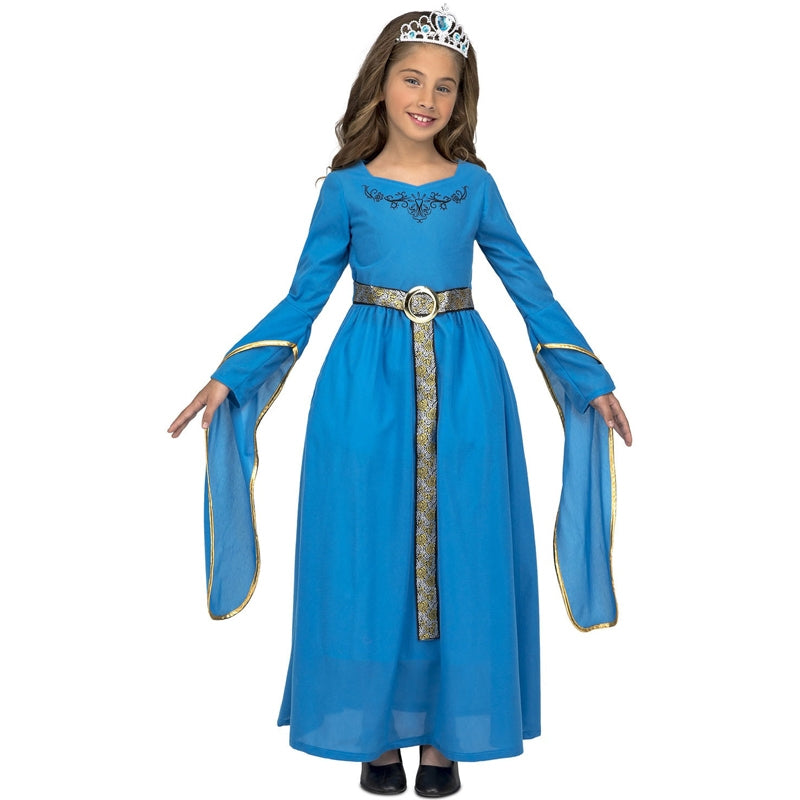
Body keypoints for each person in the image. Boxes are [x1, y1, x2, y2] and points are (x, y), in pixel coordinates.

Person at [169, 6, 632, 797]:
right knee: (364, 551)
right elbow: (304, 296)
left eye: (445, 87)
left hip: (467, 387)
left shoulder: (475, 187)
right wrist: (233, 373)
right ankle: (374, 732)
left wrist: (589, 378)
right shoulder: (346, 190)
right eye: (412, 80)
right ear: (380, 85)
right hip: (363, 389)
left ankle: (448, 738)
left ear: (462, 99)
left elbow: (529, 285)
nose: (428, 98)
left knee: (466, 550)